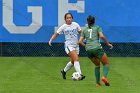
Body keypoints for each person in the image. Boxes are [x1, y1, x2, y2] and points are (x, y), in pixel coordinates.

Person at [49, 13, 85, 80]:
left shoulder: (76, 25)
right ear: (65, 19)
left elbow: (81, 33)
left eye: (70, 17)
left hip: (76, 45)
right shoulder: (63, 27)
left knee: (73, 61)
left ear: (72, 18)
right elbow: (56, 34)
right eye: (67, 18)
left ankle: (64, 71)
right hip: (68, 46)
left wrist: (83, 38)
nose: (69, 19)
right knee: (76, 59)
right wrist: (51, 40)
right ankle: (80, 74)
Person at [79, 15, 113, 86]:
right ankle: (103, 77)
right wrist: (108, 44)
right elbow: (102, 36)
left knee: (97, 65)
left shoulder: (84, 30)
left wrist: (86, 46)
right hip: (97, 48)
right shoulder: (97, 27)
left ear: (87, 21)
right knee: (106, 64)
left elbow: (79, 41)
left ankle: (97, 83)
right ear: (94, 21)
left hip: (88, 50)